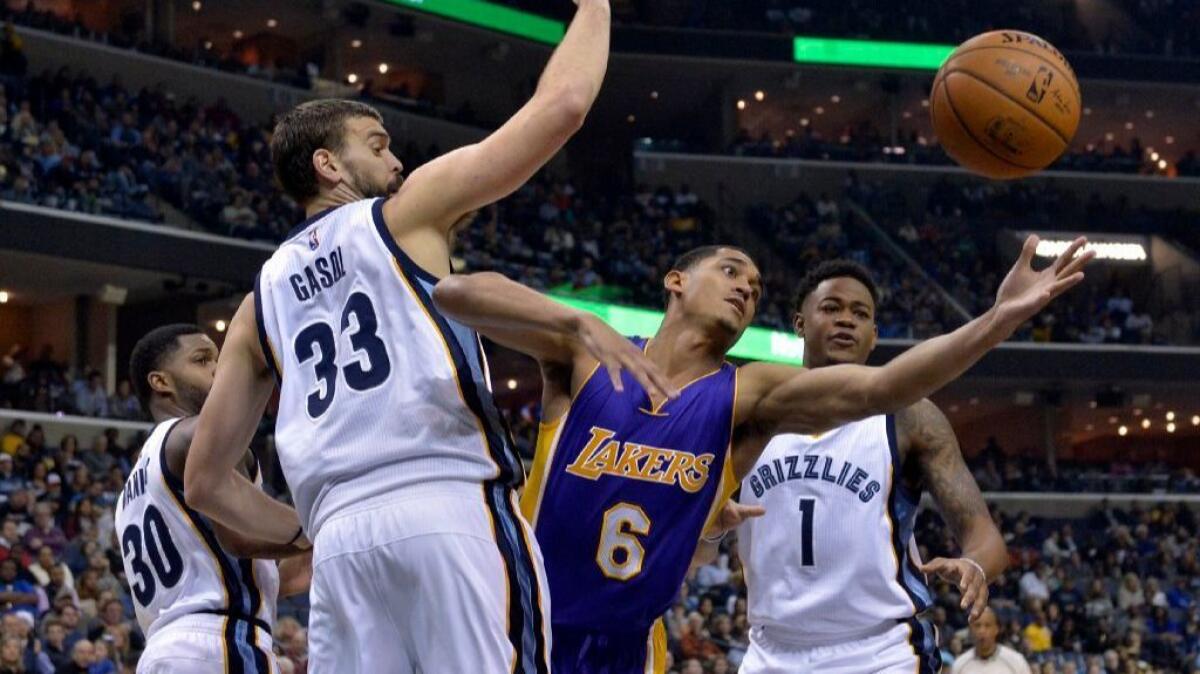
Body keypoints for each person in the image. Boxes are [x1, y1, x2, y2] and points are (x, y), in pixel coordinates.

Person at [184, 2, 622, 672]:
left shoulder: (258, 300)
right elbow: (562, 105)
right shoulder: (403, 212)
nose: (396, 159)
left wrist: (301, 533)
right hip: (447, 507)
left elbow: (207, 480)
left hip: (340, 545)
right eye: (378, 143)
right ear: (328, 165)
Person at [430, 235, 1091, 673]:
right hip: (527, 620)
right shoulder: (587, 353)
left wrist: (995, 322)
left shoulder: (749, 393)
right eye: (730, 271)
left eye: (755, 285)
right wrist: (575, 319)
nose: (747, 287)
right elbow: (453, 293)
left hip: (639, 642)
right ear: (676, 281)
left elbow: (889, 385)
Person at [727, 261, 1007, 673]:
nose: (846, 320)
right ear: (800, 323)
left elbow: (984, 535)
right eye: (832, 308)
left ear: (874, 336)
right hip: (771, 650)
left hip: (880, 651)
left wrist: (975, 565)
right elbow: (698, 543)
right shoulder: (748, 416)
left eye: (860, 314)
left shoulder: (909, 417)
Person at [115, 325, 311, 673]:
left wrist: (289, 567)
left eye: (220, 358)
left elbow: (218, 566)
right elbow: (240, 538)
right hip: (218, 642)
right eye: (202, 359)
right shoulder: (199, 437)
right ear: (161, 382)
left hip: (166, 652)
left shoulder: (134, 484)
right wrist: (321, 525)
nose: (219, 369)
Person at [951, 607, 1032, 674]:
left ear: (997, 629)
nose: (982, 631)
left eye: (987, 625)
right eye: (977, 625)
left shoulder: (1016, 661)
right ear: (970, 630)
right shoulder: (959, 664)